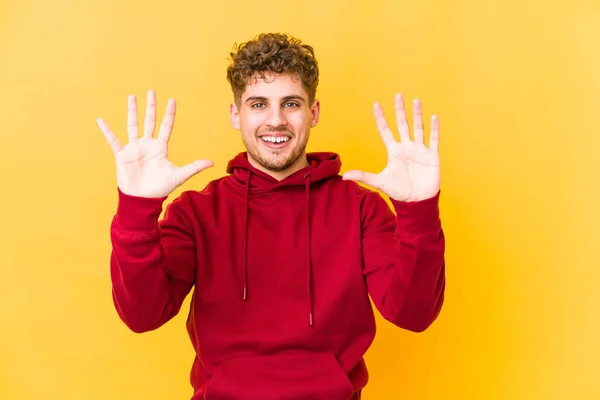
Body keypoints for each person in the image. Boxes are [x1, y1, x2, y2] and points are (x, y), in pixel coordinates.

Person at [96, 32, 446, 400]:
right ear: (236, 114)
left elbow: (413, 313)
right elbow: (142, 315)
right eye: (259, 104)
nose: (276, 121)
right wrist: (137, 210)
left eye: (291, 103)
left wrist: (418, 212)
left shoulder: (360, 208)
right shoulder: (197, 213)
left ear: (313, 113)